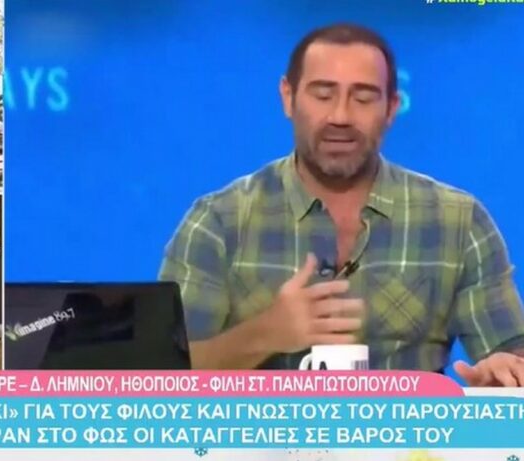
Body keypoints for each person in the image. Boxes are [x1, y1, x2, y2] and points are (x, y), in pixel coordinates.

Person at [159, 23, 524, 386]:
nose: (341, 117)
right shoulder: (219, 221)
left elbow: (513, 354)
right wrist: (265, 333)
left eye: (363, 99)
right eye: (322, 95)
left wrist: (503, 375)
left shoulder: (457, 221)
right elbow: (158, 378)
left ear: (392, 108)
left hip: (408, 427)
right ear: (288, 97)